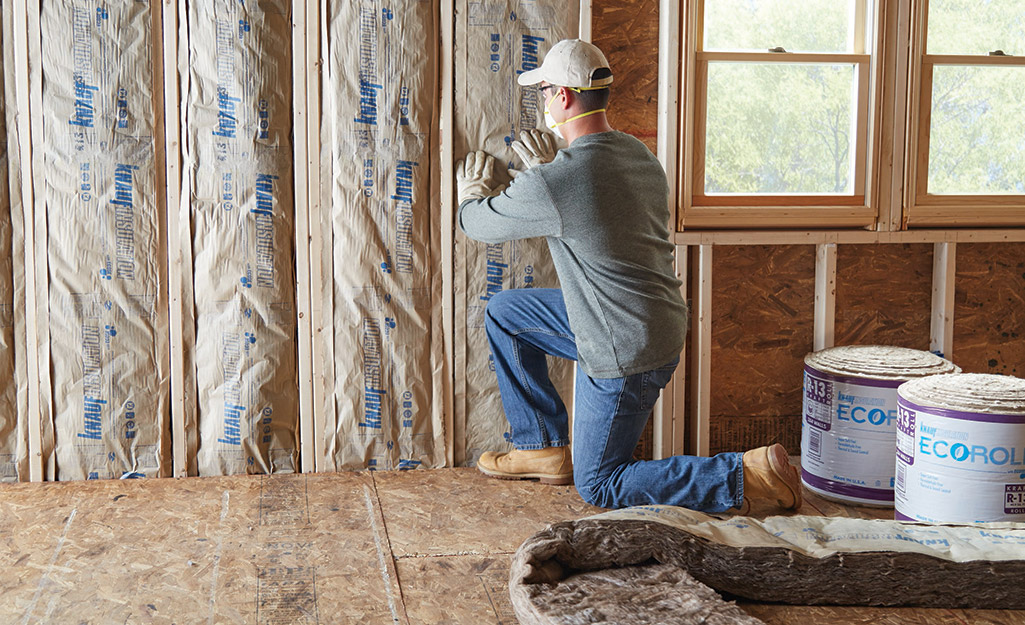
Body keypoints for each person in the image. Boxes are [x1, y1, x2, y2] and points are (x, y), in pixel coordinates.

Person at [455, 39, 801, 514]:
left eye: (545, 91)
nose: (543, 101)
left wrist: (471, 193)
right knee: (506, 313)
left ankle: (745, 475)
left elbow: (478, 223)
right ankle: (540, 446)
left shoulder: (559, 181)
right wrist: (550, 170)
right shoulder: (637, 155)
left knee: (600, 484)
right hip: (647, 318)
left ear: (563, 98)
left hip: (624, 348)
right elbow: (597, 213)